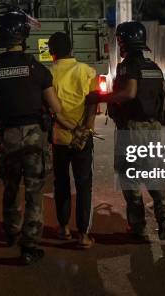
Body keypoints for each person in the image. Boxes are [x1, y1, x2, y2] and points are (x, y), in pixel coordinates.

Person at [0, 11, 63, 265]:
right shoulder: (37, 69)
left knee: (11, 188)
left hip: (7, 138)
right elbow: (56, 107)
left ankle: (11, 231)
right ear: (25, 36)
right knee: (34, 191)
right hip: (35, 138)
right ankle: (29, 246)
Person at [87, 21, 165, 242]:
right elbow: (164, 98)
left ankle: (138, 227)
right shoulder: (154, 67)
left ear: (123, 41)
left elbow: (129, 93)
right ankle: (164, 216)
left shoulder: (128, 66)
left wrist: (101, 98)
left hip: (132, 128)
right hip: (153, 128)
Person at [47, 31, 98, 248]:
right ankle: (83, 235)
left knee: (61, 183)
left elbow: (49, 109)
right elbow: (93, 102)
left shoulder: (48, 73)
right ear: (71, 50)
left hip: (59, 138)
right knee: (84, 184)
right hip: (83, 138)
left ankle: (63, 228)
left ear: (52, 52)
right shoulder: (86, 71)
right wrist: (86, 128)